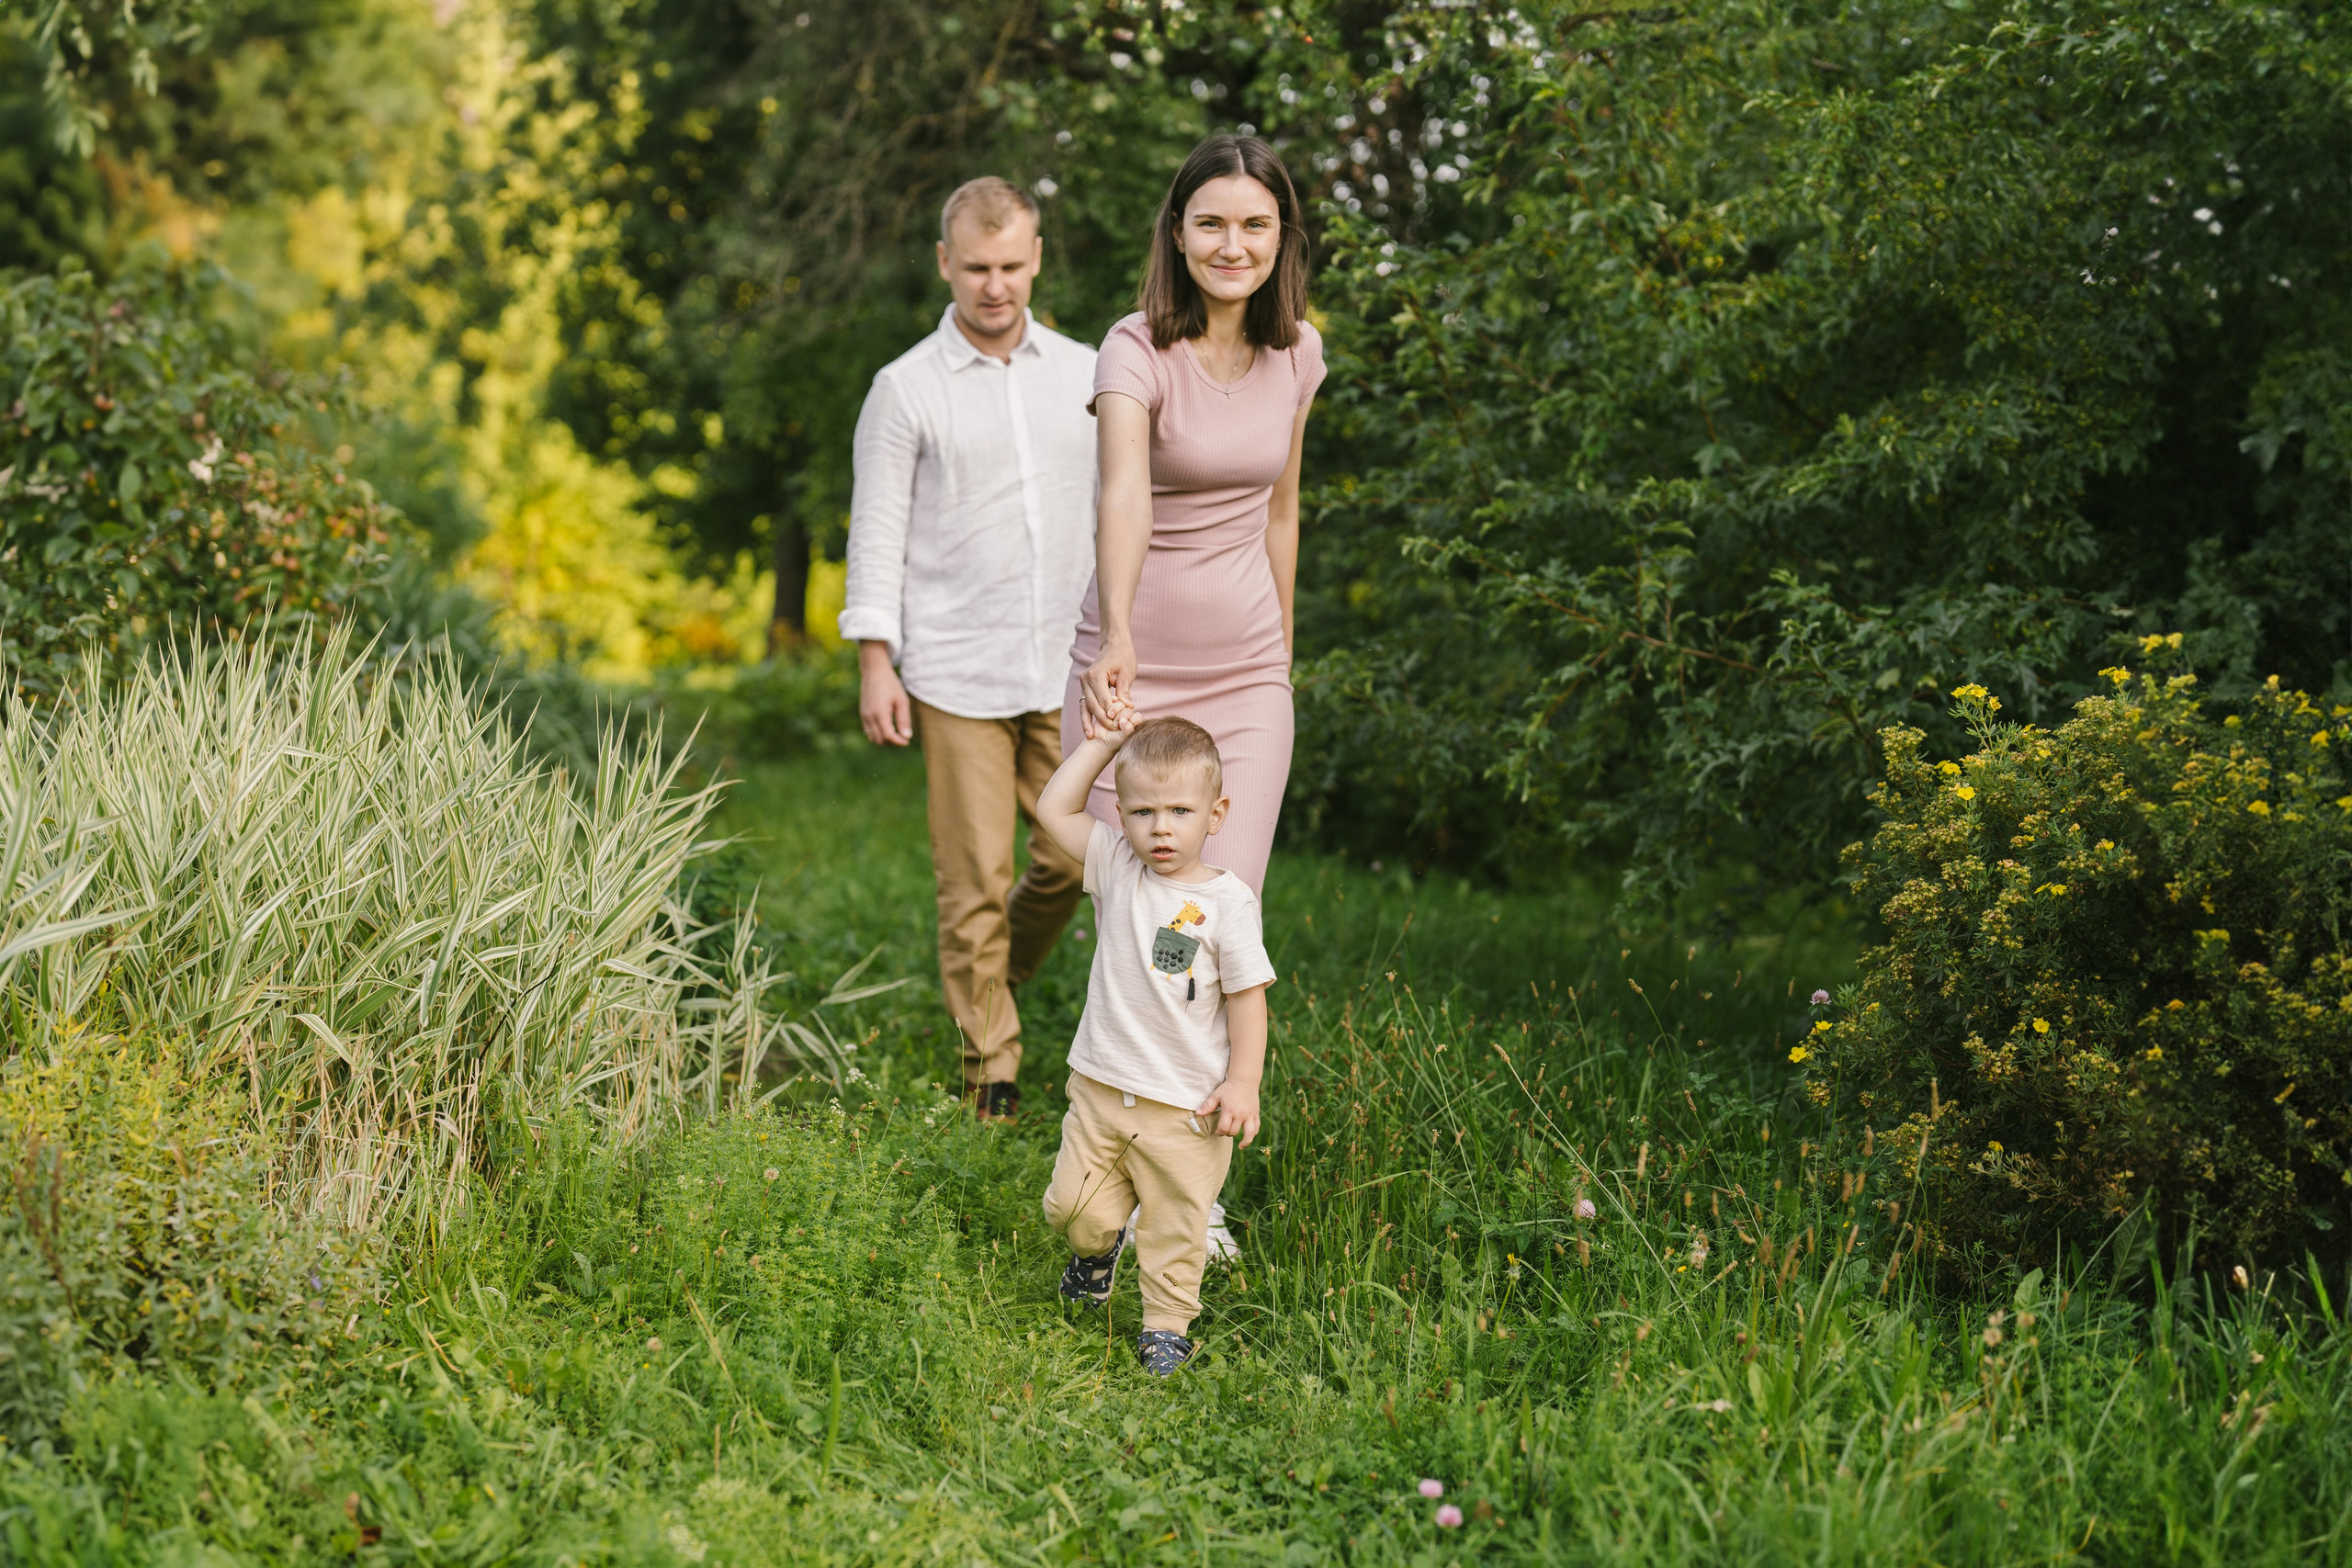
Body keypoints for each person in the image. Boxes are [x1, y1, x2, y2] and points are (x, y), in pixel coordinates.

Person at [841, 175, 1100, 1122]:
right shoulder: (904, 388)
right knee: (974, 880)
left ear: (1037, 261)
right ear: (946, 263)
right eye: (978, 267)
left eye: (1012, 267)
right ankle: (990, 1067)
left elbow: (1120, 512)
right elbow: (876, 530)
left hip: (1067, 665)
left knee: (1072, 862)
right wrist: (876, 659)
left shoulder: (1085, 373)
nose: (996, 286)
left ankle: (991, 981)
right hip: (956, 670)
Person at [1067, 134, 1323, 899]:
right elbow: (1124, 496)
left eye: (1255, 225)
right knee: (1142, 921)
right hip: (1131, 679)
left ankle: (1221, 1002)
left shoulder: (1299, 352)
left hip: (1247, 678)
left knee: (1221, 913)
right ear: (1178, 233)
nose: (1232, 246)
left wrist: (1280, 651)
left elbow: (1282, 508)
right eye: (1211, 224)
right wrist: (1116, 635)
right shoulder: (1133, 349)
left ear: (1282, 236)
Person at [1033, 714, 1272, 1376]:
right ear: (1121, 814)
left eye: (1179, 811)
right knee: (1072, 1209)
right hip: (1102, 1088)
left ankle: (1167, 1325)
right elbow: (1054, 809)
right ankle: (1095, 1254)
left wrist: (1243, 1083)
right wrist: (1104, 745)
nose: (1160, 828)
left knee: (1176, 1226)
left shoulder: (1229, 903)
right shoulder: (1116, 865)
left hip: (1185, 1108)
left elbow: (1248, 998)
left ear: (1216, 814)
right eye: (1142, 811)